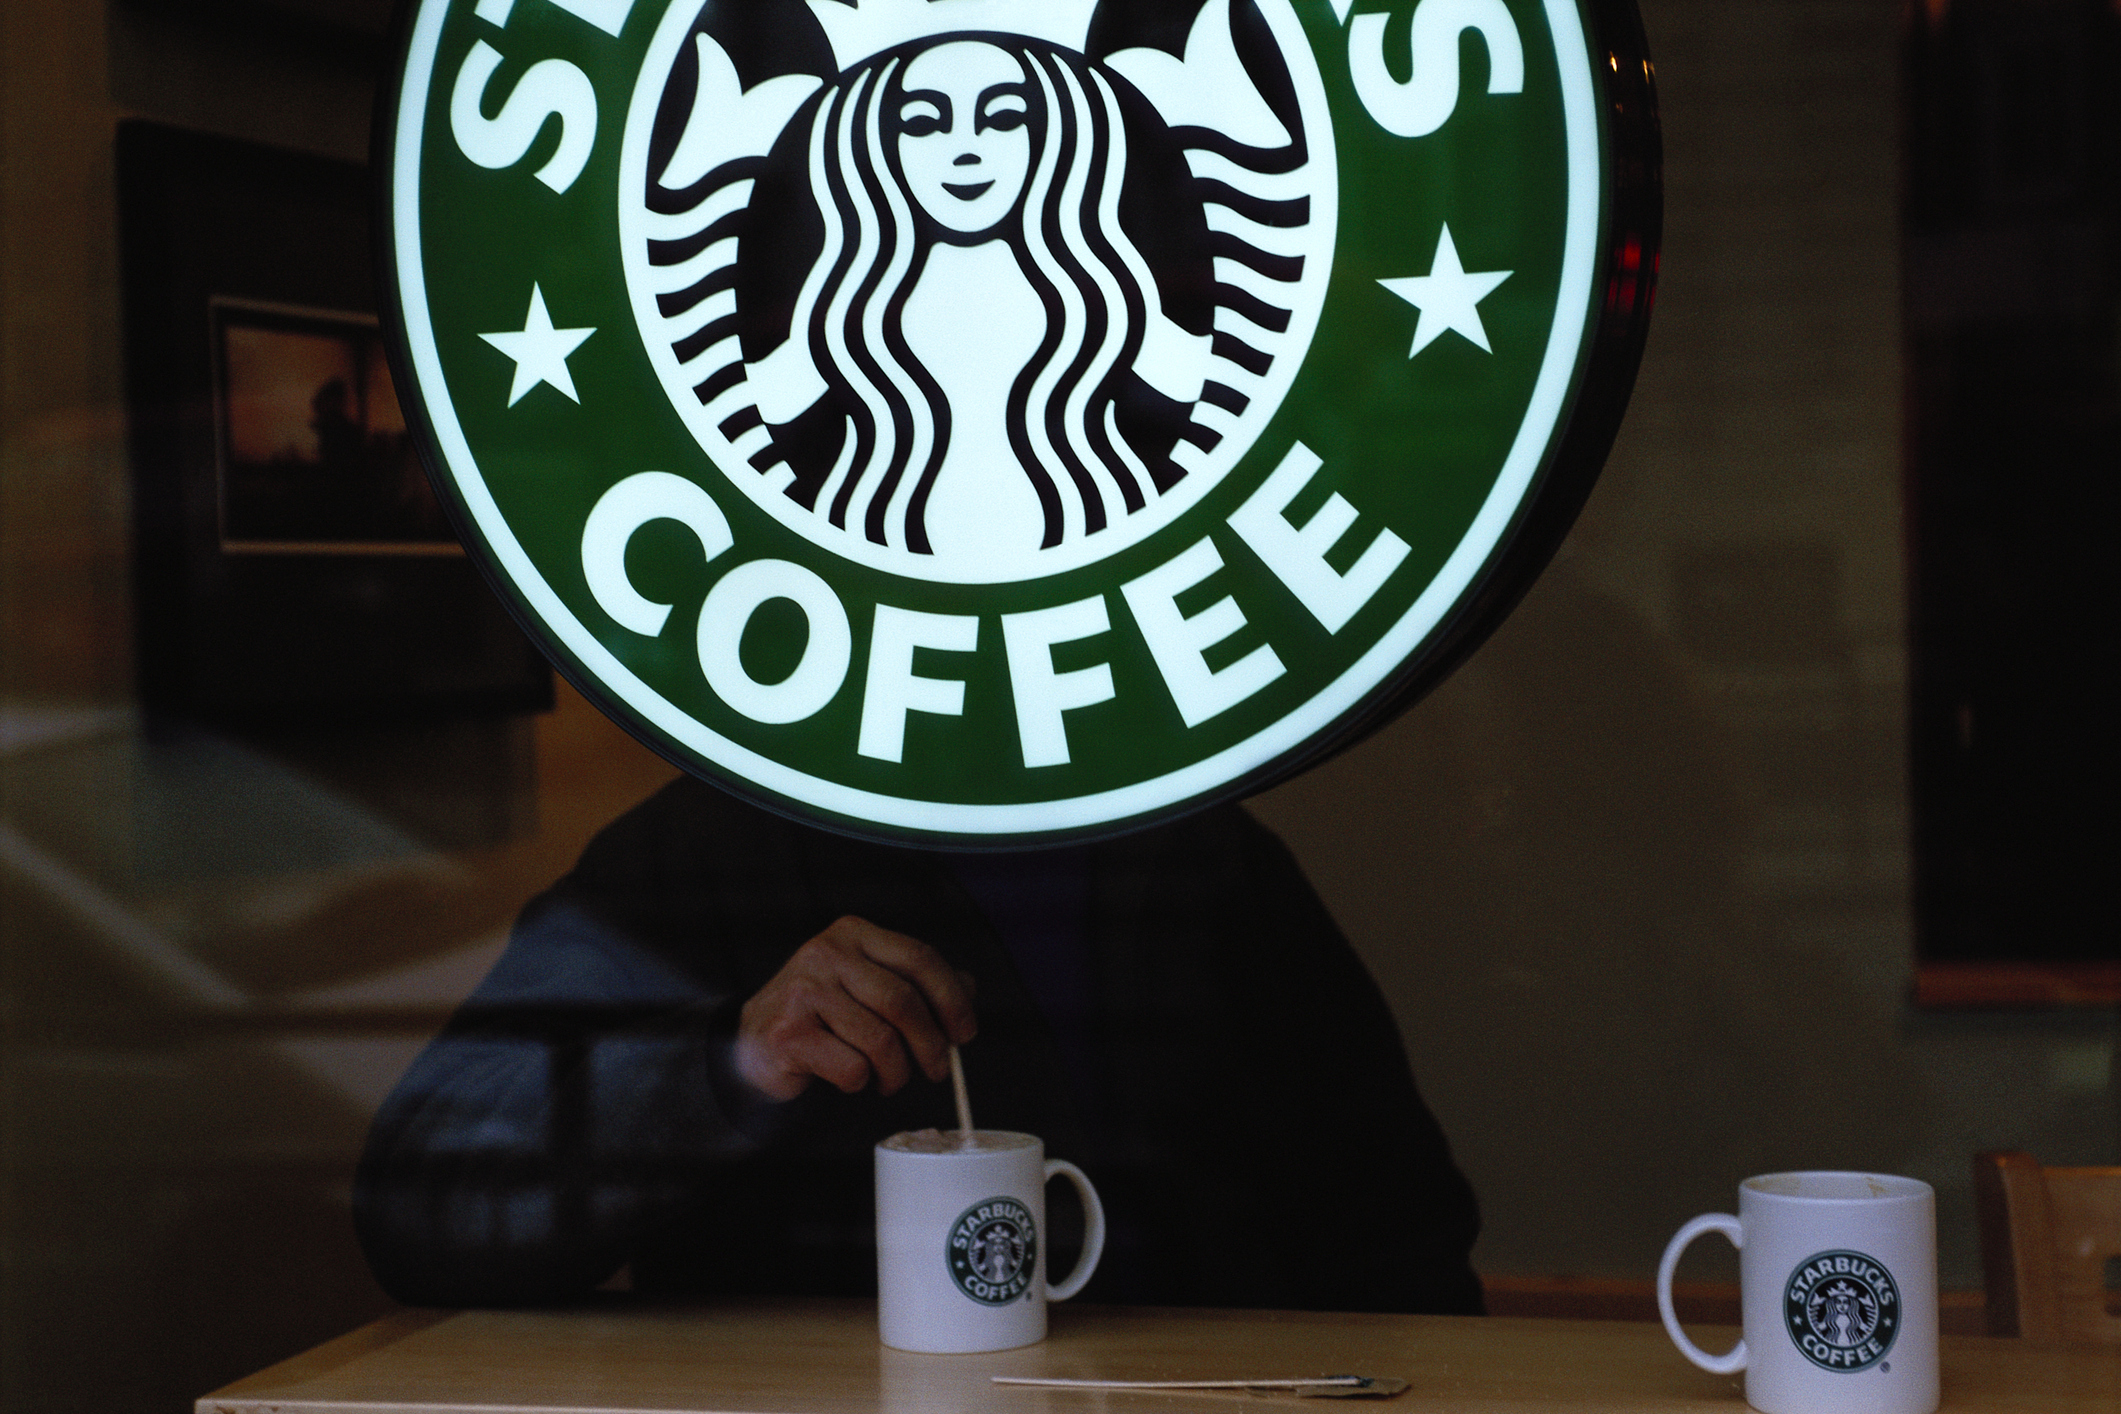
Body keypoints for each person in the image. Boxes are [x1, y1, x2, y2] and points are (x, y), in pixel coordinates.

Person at [353, 776, 1484, 1315]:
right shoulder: (707, 851)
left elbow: (1400, 1226)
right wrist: (731, 1060)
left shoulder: (1198, 848)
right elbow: (425, 1206)